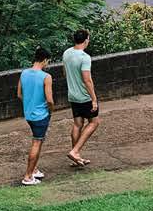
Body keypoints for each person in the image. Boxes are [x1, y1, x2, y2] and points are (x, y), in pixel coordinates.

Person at [61, 28, 100, 168]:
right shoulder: (84, 57)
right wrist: (94, 99)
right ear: (86, 40)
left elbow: (64, 72)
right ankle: (75, 151)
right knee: (94, 122)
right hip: (84, 96)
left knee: (78, 124)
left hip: (72, 95)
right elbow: (87, 79)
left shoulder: (67, 53)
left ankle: (76, 157)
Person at [17, 47, 55, 186]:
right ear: (45, 60)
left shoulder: (24, 73)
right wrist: (51, 110)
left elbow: (19, 94)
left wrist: (30, 104)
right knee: (37, 143)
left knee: (39, 140)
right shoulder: (46, 77)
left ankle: (34, 169)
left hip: (29, 114)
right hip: (41, 115)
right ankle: (28, 176)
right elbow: (49, 100)